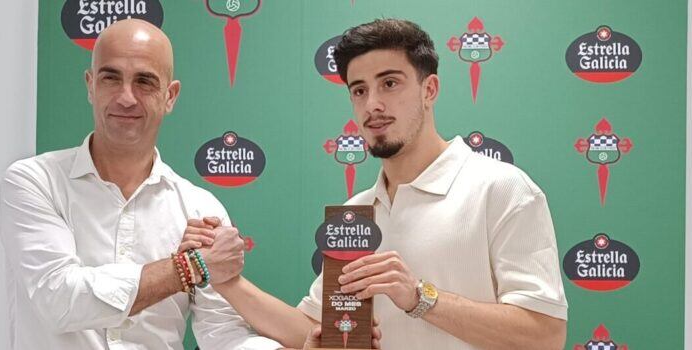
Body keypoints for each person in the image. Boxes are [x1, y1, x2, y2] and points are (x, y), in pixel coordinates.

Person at [185, 18, 567, 349]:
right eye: (359, 90)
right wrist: (229, 283)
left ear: (429, 89)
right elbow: (314, 330)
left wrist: (419, 297)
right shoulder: (356, 213)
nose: (372, 105)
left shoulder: (502, 188)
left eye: (389, 84)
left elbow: (545, 335)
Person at [0, 19, 285, 349]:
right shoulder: (34, 182)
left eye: (145, 82)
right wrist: (187, 268)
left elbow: (223, 334)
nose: (126, 97)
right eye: (111, 78)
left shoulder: (201, 208)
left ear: (170, 96)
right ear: (91, 86)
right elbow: (59, 299)